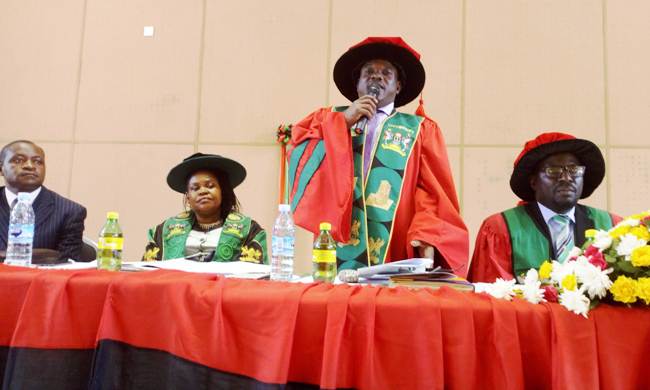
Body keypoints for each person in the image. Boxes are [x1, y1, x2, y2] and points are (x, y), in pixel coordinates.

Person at [289, 37, 468, 273]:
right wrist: (342, 122)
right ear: (357, 84)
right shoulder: (329, 118)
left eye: (386, 73)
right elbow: (299, 152)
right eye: (369, 72)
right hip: (335, 243)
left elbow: (432, 195)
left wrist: (426, 235)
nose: (376, 77)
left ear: (398, 86)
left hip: (392, 244)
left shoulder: (420, 130)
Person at [468, 132, 621, 283]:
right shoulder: (501, 229)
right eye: (554, 171)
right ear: (533, 181)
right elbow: (489, 300)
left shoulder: (612, 227)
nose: (567, 178)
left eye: (574, 170)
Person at [143, 153, 267, 264]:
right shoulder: (163, 231)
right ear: (188, 199)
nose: (203, 191)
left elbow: (254, 278)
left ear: (222, 191)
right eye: (195, 188)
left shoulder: (249, 230)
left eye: (210, 185)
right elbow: (148, 274)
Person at [0, 140, 87, 260]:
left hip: (38, 278)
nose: (30, 166)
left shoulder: (70, 212)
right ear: (1, 168)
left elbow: (68, 263)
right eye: (19, 160)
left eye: (38, 161)